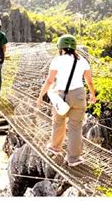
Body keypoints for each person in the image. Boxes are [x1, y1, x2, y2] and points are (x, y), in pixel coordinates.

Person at [36, 34, 96, 167]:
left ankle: (55, 147)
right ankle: (73, 159)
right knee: (75, 127)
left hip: (62, 95)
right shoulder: (83, 61)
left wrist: (41, 96)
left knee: (58, 122)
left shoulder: (57, 60)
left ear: (60, 47)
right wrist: (92, 95)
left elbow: (50, 81)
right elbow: (89, 82)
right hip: (79, 95)